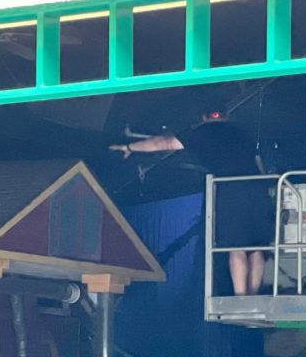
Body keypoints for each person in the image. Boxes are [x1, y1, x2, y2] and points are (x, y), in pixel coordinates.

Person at [110, 112, 272, 296]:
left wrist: (129, 147)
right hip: (258, 189)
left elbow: (163, 143)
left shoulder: (203, 132)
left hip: (232, 189)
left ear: (203, 117)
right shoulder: (242, 131)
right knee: (257, 248)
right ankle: (252, 296)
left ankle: (241, 296)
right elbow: (259, 162)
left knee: (236, 247)